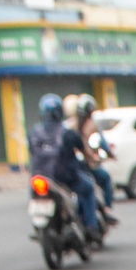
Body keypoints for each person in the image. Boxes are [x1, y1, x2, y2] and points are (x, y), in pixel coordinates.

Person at [28, 93, 100, 237]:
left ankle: (37, 229)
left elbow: (32, 152)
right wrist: (93, 159)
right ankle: (91, 227)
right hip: (66, 177)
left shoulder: (34, 133)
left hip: (40, 176)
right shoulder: (67, 132)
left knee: (33, 192)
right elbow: (84, 151)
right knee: (88, 188)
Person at [73, 95, 116, 223]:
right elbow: (103, 143)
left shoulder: (72, 125)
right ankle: (106, 209)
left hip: (74, 166)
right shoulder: (92, 126)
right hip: (88, 164)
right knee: (106, 179)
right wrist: (111, 154)